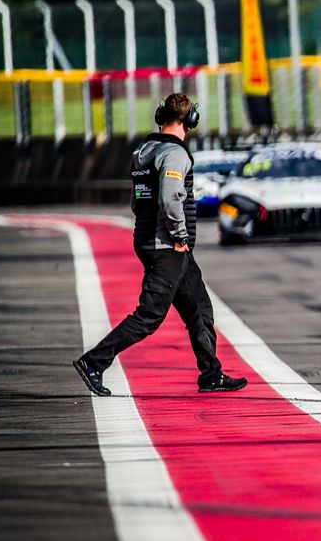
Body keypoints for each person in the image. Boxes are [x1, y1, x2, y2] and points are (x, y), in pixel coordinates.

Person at [72, 93, 247, 397]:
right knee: (150, 315)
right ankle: (94, 361)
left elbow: (138, 200)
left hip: (155, 240)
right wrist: (179, 236)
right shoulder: (174, 154)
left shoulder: (144, 151)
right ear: (190, 120)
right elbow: (169, 199)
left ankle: (211, 374)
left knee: (199, 309)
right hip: (168, 245)